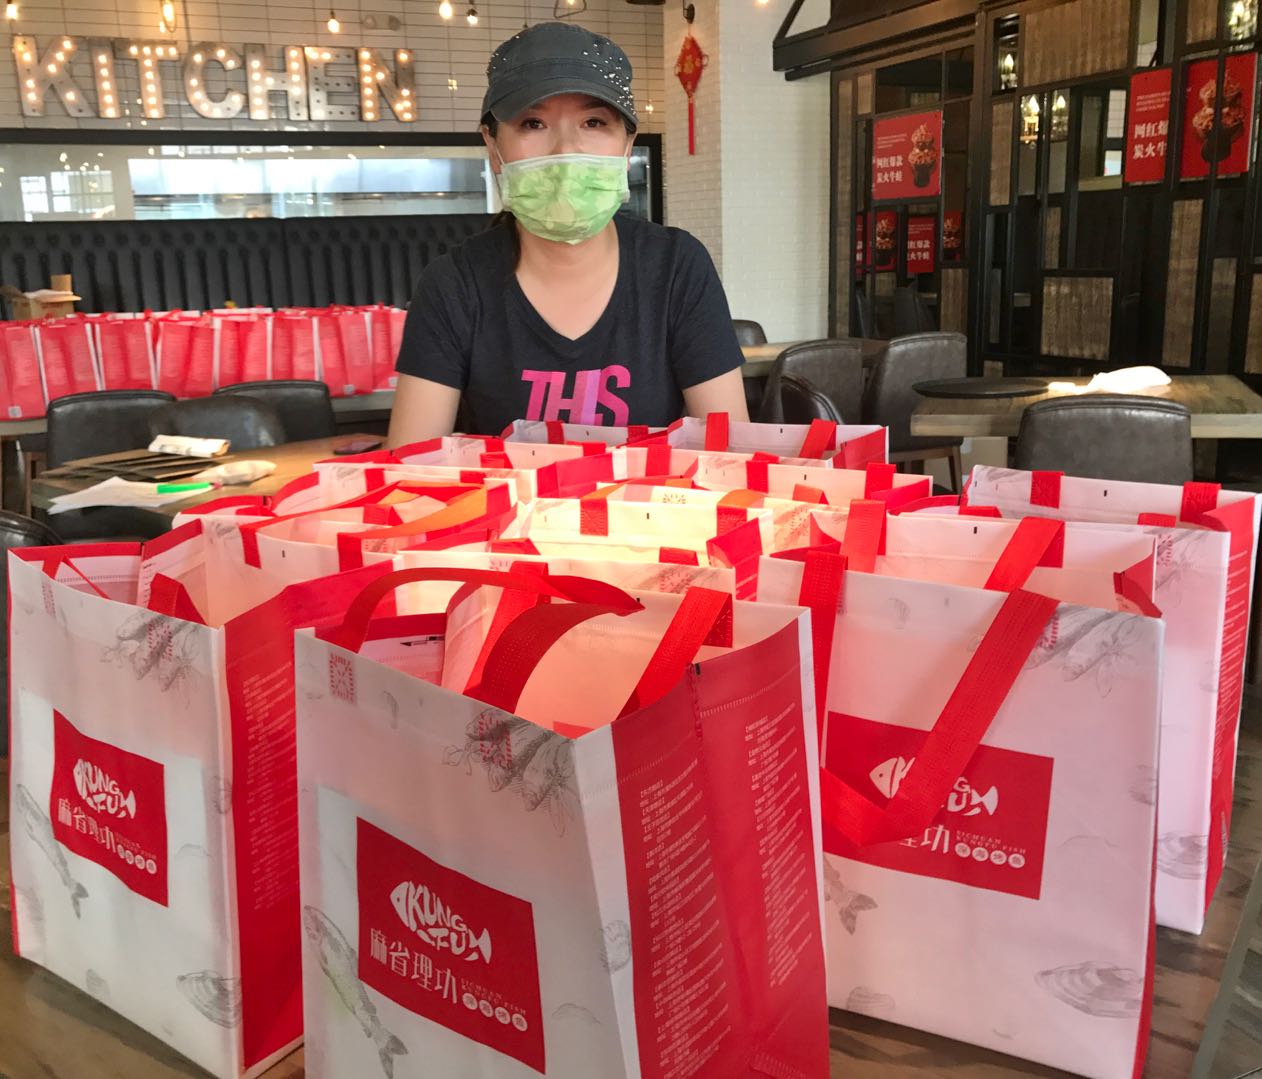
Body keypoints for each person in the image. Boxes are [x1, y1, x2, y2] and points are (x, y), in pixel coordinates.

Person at [387, 21, 749, 444]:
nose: (565, 151)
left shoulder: (675, 267)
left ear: (627, 146)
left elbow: (730, 450)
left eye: (593, 122)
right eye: (532, 124)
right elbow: (411, 464)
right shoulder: (454, 285)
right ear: (494, 146)